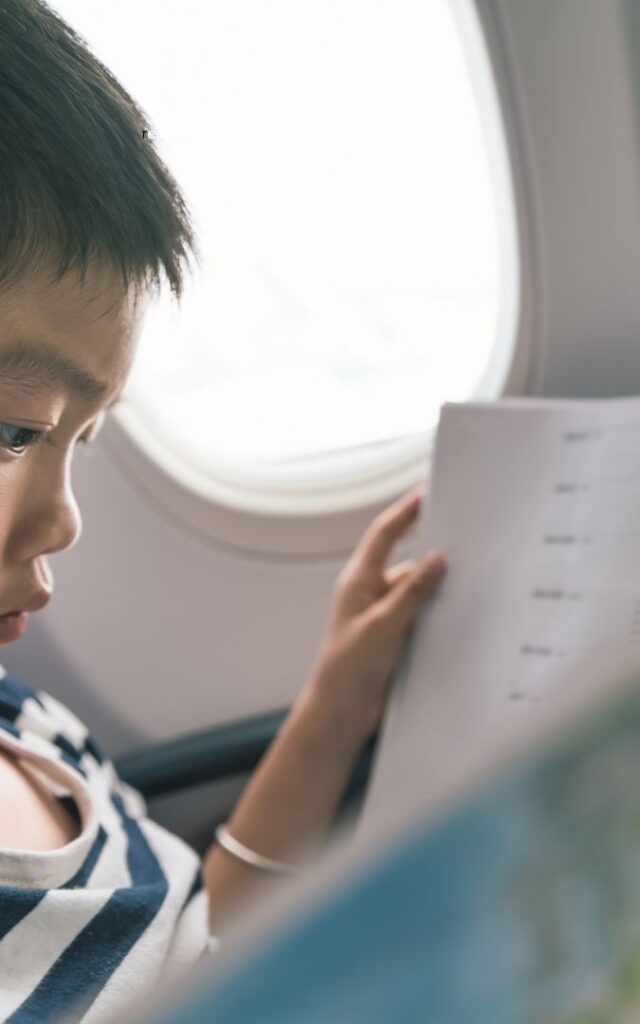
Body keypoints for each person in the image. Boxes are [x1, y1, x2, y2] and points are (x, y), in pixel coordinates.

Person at [0, 0, 447, 1019]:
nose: (63, 517)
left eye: (87, 437)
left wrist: (335, 705)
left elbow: (192, 949)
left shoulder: (24, 721)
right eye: (11, 426)